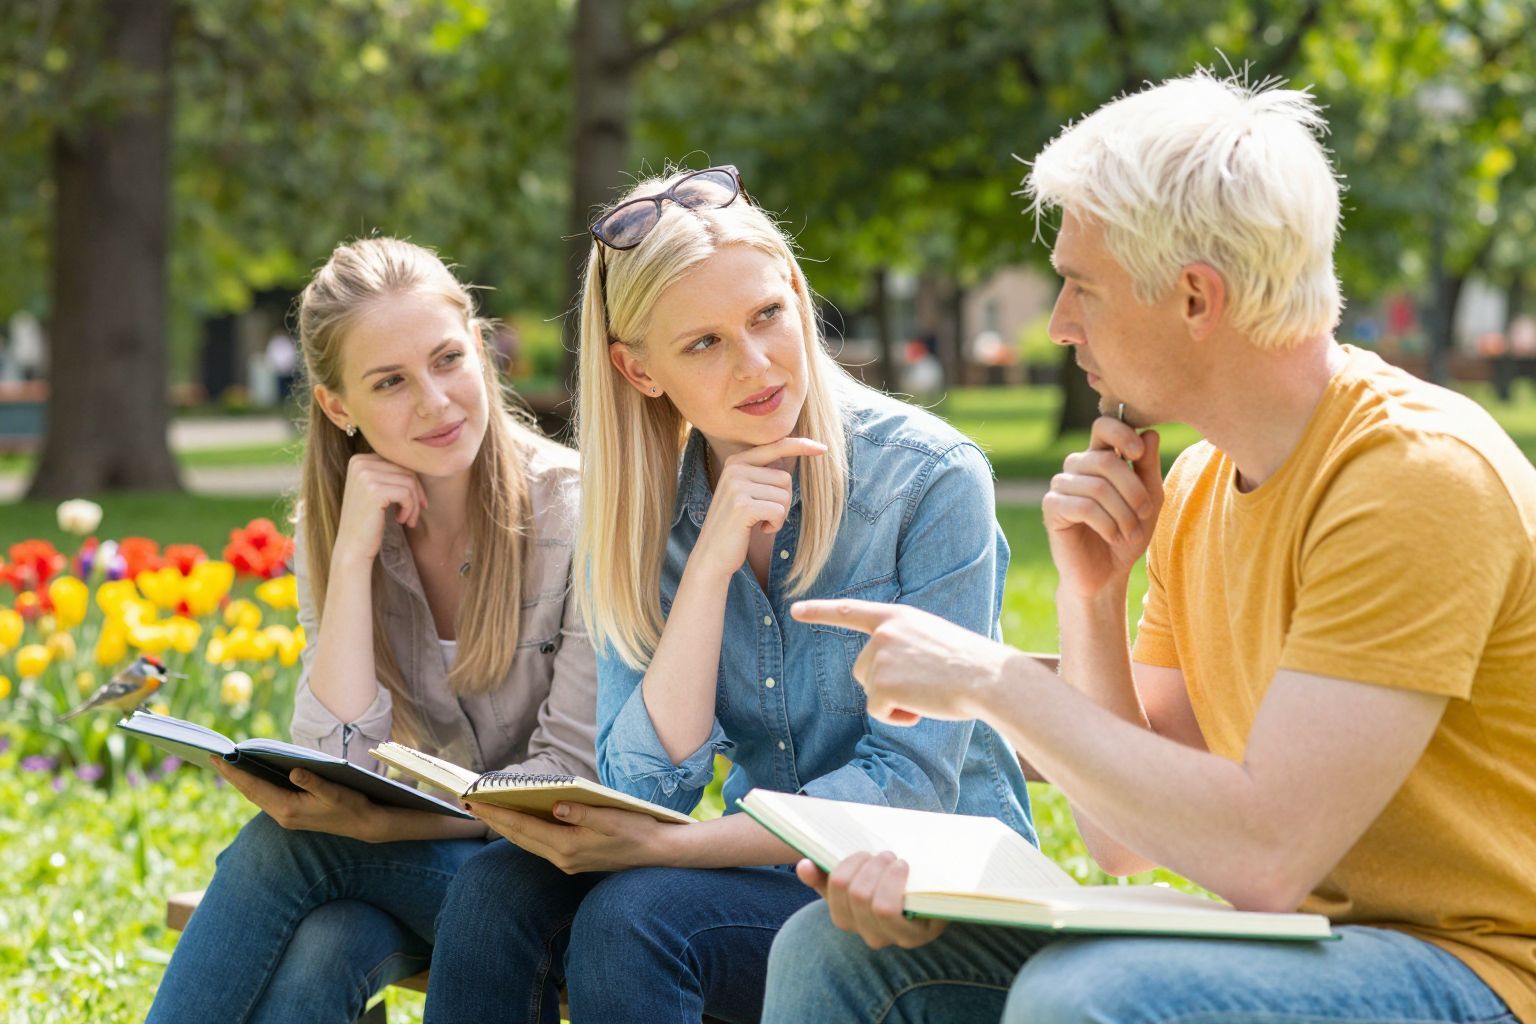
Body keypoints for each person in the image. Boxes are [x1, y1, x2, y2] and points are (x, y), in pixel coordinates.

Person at [765, 71, 1536, 1024]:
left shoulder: (1414, 478)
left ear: (1195, 298)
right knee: (833, 953)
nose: (1058, 325)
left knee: (1086, 998)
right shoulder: (1207, 486)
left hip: (1478, 974)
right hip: (1299, 948)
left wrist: (996, 680)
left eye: (1082, 287)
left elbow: (1263, 854)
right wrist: (1093, 598)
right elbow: (1122, 839)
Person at [421, 164, 1035, 1023]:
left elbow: (909, 789)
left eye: (766, 317)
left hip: (928, 903)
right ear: (639, 371)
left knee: (637, 919)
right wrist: (708, 566)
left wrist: (683, 847)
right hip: (777, 884)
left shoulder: (928, 479)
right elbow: (646, 783)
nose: (756, 365)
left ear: (794, 290)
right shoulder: (649, 508)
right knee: (499, 888)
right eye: (704, 343)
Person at [146, 238, 599, 1024]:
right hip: (424, 870)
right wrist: (352, 557)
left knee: (288, 847)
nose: (435, 401)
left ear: (481, 349)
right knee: (330, 941)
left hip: (566, 889)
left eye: (448, 359)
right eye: (390, 382)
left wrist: (390, 824)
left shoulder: (579, 514)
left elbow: (571, 785)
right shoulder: (340, 532)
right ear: (337, 406)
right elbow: (335, 765)